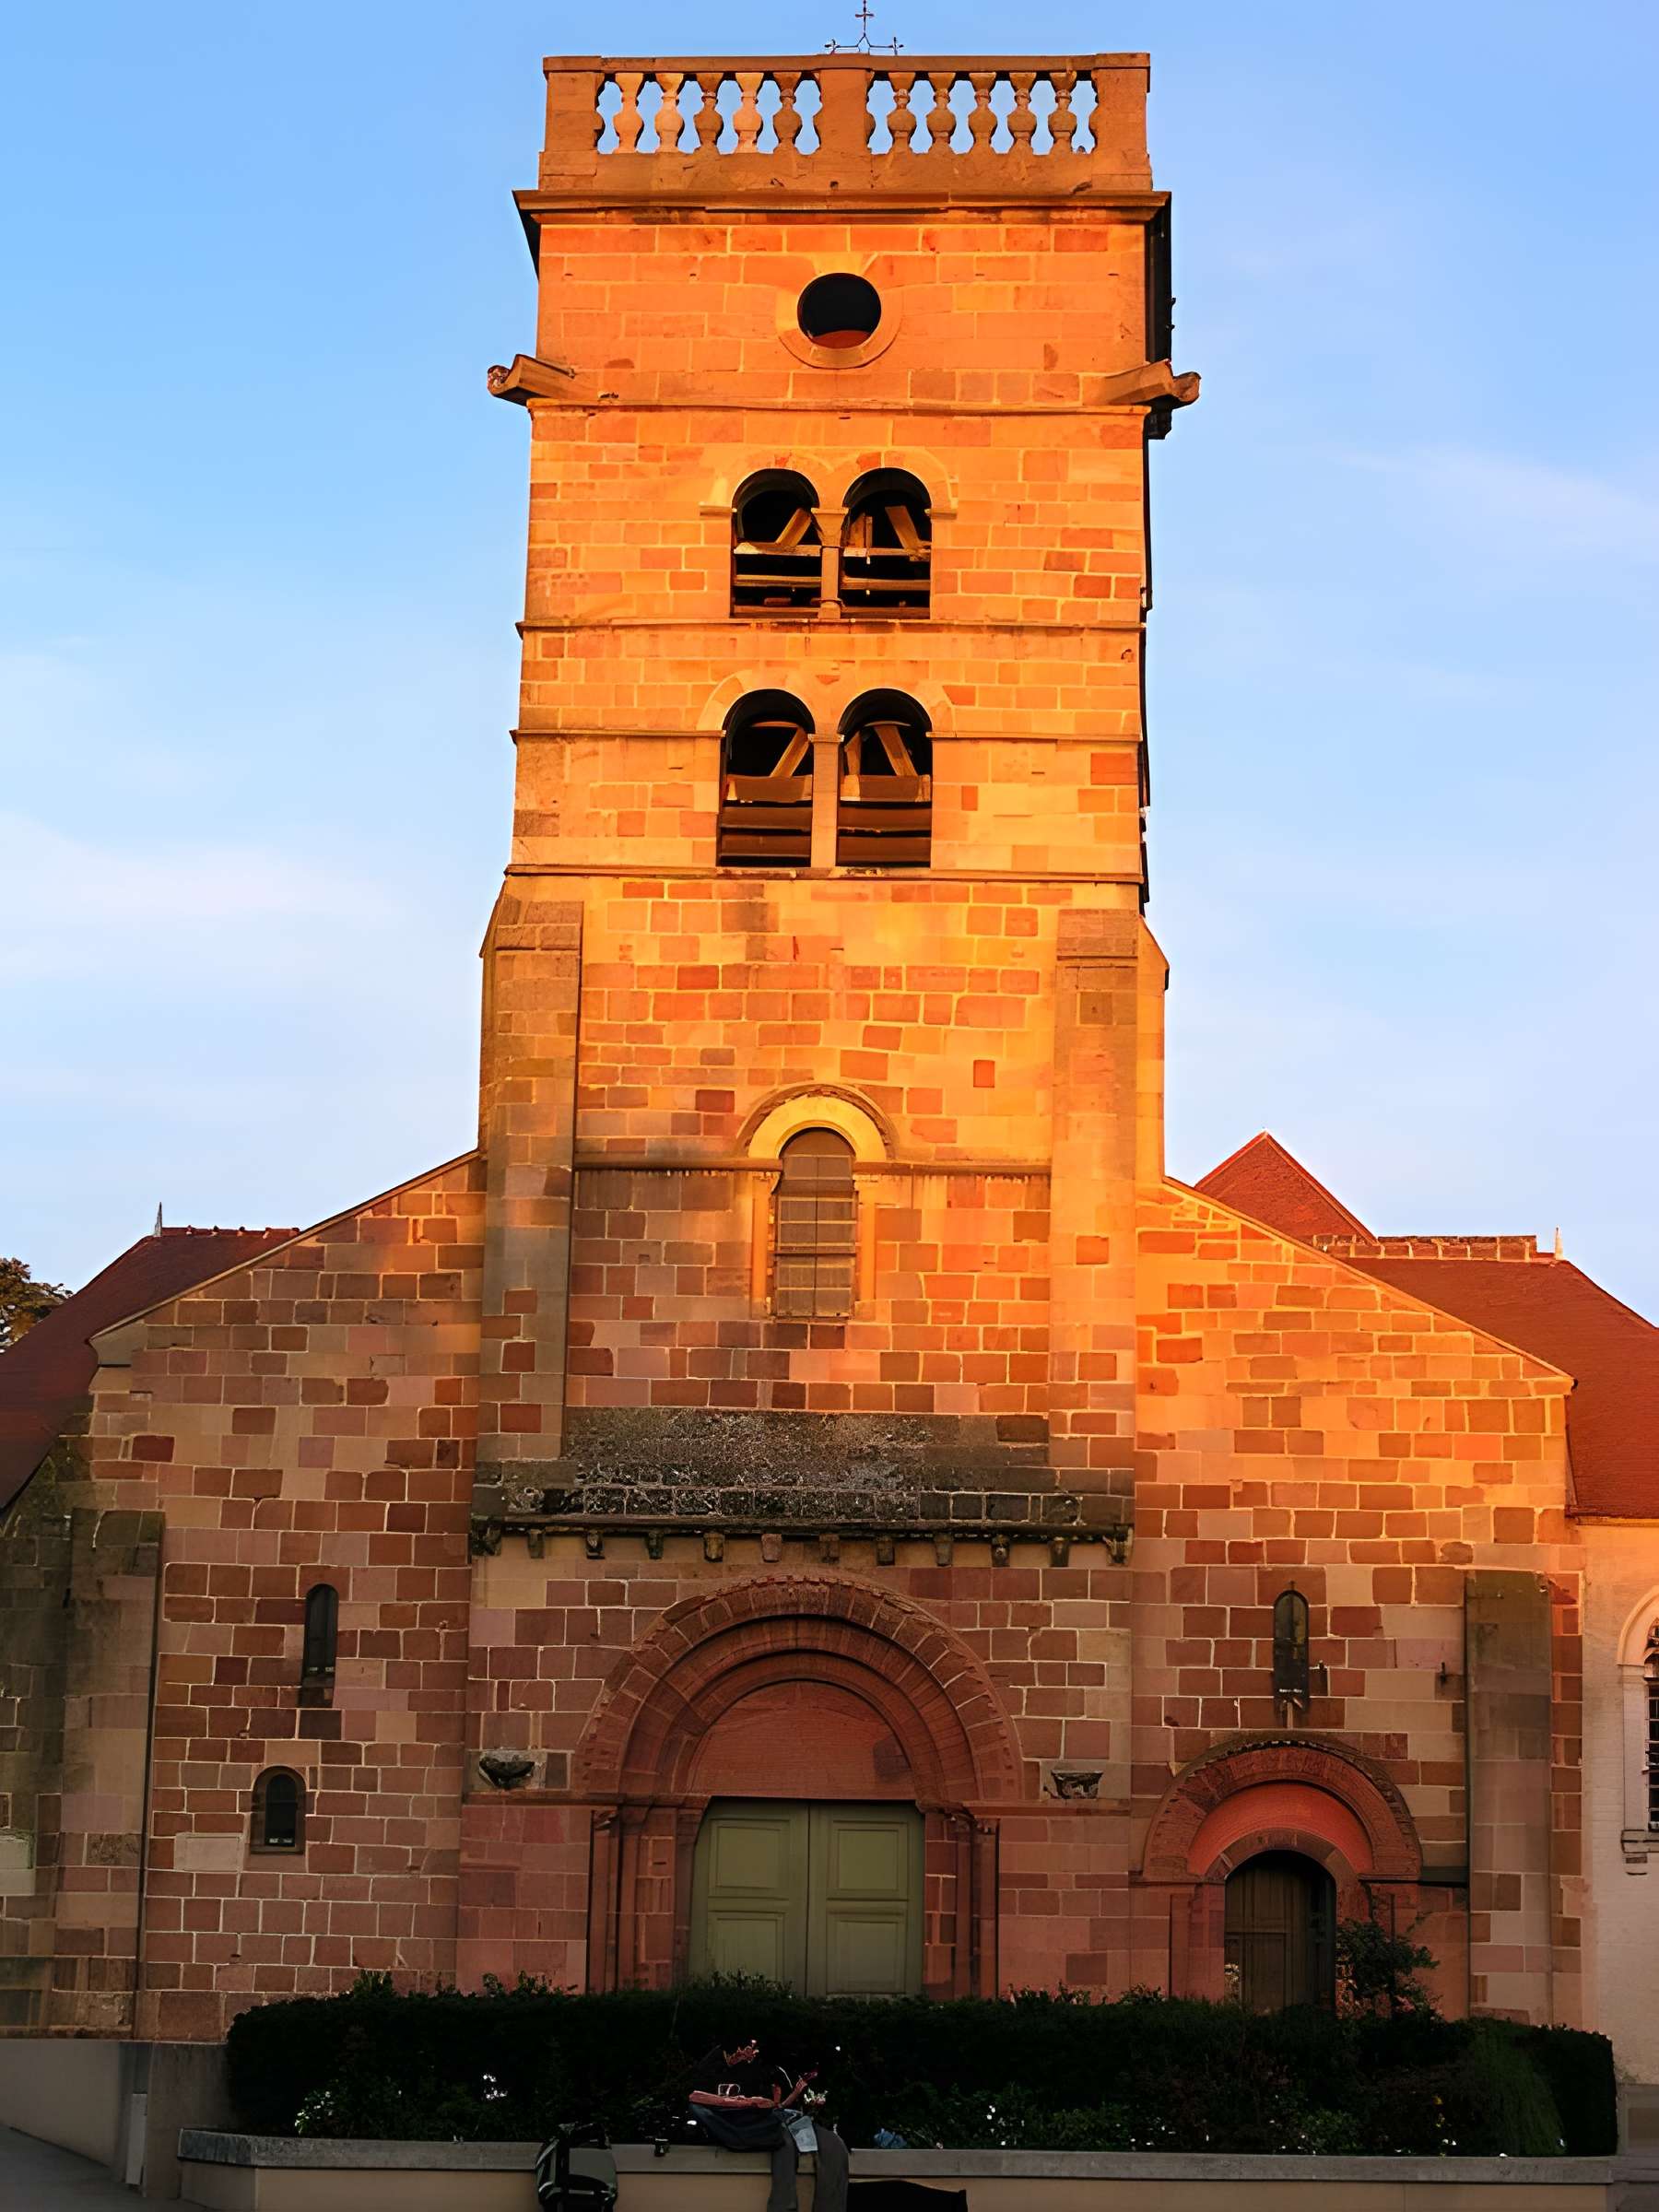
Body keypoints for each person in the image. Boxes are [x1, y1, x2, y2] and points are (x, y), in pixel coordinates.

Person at [684, 2035, 850, 2212]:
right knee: (784, 2137)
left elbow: (775, 2104)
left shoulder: (752, 2071)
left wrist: (769, 2101)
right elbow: (695, 2096)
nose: (755, 2053)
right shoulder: (713, 2063)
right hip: (738, 2121)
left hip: (764, 2118)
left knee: (825, 2142)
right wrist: (745, 2102)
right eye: (752, 2048)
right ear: (740, 2048)